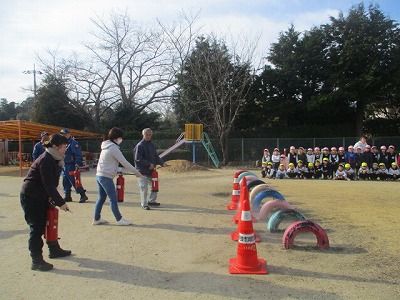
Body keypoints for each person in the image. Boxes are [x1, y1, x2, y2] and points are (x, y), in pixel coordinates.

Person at [20, 133, 72, 272]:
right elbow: (48, 184)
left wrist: (56, 199)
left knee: (49, 222)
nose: (65, 149)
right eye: (63, 147)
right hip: (31, 196)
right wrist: (61, 202)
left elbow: (54, 184)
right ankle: (36, 260)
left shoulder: (56, 158)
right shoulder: (46, 159)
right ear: (54, 146)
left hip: (41, 195)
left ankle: (54, 249)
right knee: (37, 227)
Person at [94, 127, 142, 226]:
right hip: (105, 177)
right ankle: (119, 219)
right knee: (113, 199)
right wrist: (135, 171)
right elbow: (124, 162)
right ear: (116, 138)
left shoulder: (106, 146)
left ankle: (96, 218)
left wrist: (118, 170)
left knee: (102, 197)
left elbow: (108, 163)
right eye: (120, 137)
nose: (121, 140)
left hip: (100, 175)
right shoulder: (113, 148)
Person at [134, 128, 168, 210]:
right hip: (142, 171)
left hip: (151, 171)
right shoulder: (140, 145)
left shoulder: (152, 145)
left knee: (154, 186)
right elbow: (138, 158)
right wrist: (149, 164)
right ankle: (144, 204)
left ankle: (152, 201)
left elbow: (156, 156)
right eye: (147, 134)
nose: (148, 136)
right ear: (143, 135)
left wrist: (162, 163)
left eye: (150, 134)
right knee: (144, 188)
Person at [60, 128, 88, 203]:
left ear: (69, 134)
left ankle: (83, 195)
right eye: (62, 134)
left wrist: (78, 164)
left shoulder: (73, 143)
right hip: (64, 164)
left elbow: (78, 154)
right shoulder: (63, 143)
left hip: (71, 164)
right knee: (65, 181)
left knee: (75, 180)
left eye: (65, 134)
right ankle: (67, 196)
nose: (63, 136)